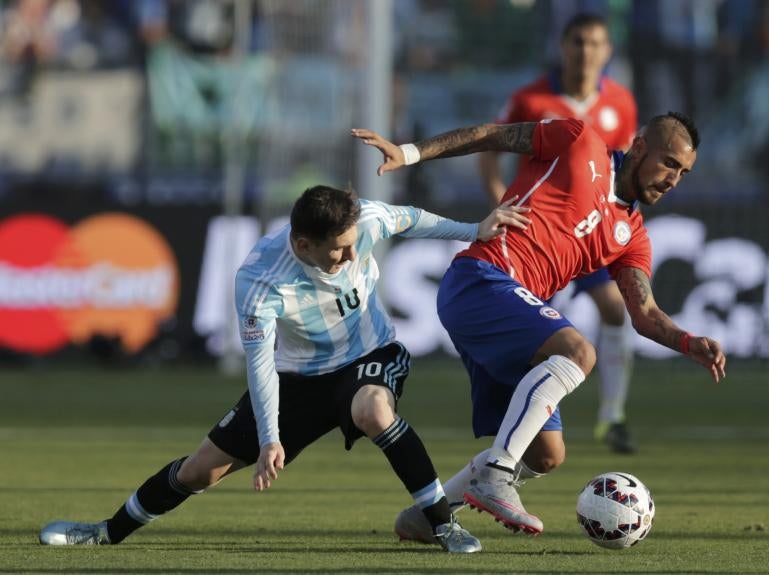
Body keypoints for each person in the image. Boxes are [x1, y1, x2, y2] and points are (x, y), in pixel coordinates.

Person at [38, 185, 532, 554]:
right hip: (297, 379)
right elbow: (260, 365)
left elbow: (411, 219)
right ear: (301, 245)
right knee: (197, 473)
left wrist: (473, 229)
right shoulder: (259, 281)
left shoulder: (366, 223)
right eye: (334, 250)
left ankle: (442, 522)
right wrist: (271, 436)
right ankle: (106, 532)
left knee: (373, 410)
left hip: (370, 355)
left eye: (350, 245)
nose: (346, 257)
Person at [352, 110, 726, 541]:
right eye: (668, 163)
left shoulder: (632, 235)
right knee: (579, 352)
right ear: (640, 146)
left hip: (507, 310)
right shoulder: (578, 141)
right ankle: (496, 475)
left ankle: (428, 517)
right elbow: (490, 135)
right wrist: (410, 152)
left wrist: (686, 340)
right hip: (481, 277)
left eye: (683, 171)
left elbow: (644, 313)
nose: (673, 178)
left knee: (546, 455)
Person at [478, 12, 639, 453]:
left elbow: (623, 172)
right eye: (578, 42)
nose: (586, 52)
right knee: (538, 335)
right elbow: (490, 149)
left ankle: (613, 414)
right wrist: (500, 200)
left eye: (595, 44)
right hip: (540, 235)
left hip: (590, 235)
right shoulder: (530, 100)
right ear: (563, 47)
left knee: (614, 307)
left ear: (607, 52)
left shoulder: (621, 104)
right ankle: (524, 421)